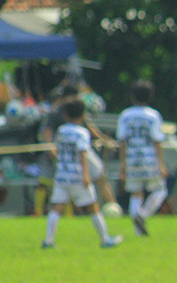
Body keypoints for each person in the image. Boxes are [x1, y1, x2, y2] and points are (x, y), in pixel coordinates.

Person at [41, 98, 123, 250]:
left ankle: (48, 241)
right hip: (77, 176)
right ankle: (105, 240)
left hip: (62, 175)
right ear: (82, 115)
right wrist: (86, 175)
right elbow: (82, 154)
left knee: (57, 208)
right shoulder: (82, 132)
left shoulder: (61, 130)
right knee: (93, 208)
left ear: (65, 115)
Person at [117, 80, 168, 236]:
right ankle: (143, 215)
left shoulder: (125, 115)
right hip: (149, 158)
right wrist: (161, 164)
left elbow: (122, 141)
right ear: (150, 96)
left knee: (135, 192)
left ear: (132, 96)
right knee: (160, 190)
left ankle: (138, 230)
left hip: (132, 158)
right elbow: (157, 141)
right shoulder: (153, 115)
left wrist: (122, 164)